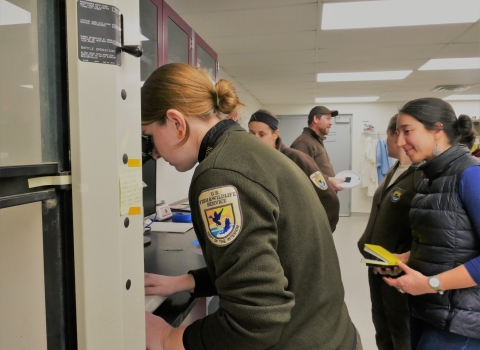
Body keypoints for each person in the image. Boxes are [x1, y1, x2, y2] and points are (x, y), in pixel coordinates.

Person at [141, 63, 360, 350]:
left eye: (150, 137)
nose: (153, 154)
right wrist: (186, 282)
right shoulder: (246, 151)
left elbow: (255, 319)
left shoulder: (220, 175)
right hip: (330, 334)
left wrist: (168, 339)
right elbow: (269, 263)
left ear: (176, 122)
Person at [383, 98, 480, 350]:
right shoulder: (428, 178)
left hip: (461, 322)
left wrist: (429, 283)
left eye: (407, 131)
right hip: (427, 310)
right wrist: (407, 259)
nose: (400, 142)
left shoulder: (471, 175)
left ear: (437, 130)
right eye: (397, 133)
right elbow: (446, 240)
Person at [357, 114, 421, 350]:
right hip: (377, 264)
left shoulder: (420, 174)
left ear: (398, 135)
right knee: (381, 323)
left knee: (400, 328)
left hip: (399, 267)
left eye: (387, 134)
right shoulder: (395, 169)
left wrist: (409, 257)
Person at [248, 109, 340, 232]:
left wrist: (320, 234)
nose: (255, 139)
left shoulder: (297, 159)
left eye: (262, 134)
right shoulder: (248, 160)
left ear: (275, 134)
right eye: (251, 133)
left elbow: (329, 199)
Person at [290, 106, 345, 191]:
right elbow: (301, 175)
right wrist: (328, 180)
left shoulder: (315, 140)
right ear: (316, 119)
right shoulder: (303, 142)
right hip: (314, 202)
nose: (331, 123)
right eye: (327, 119)